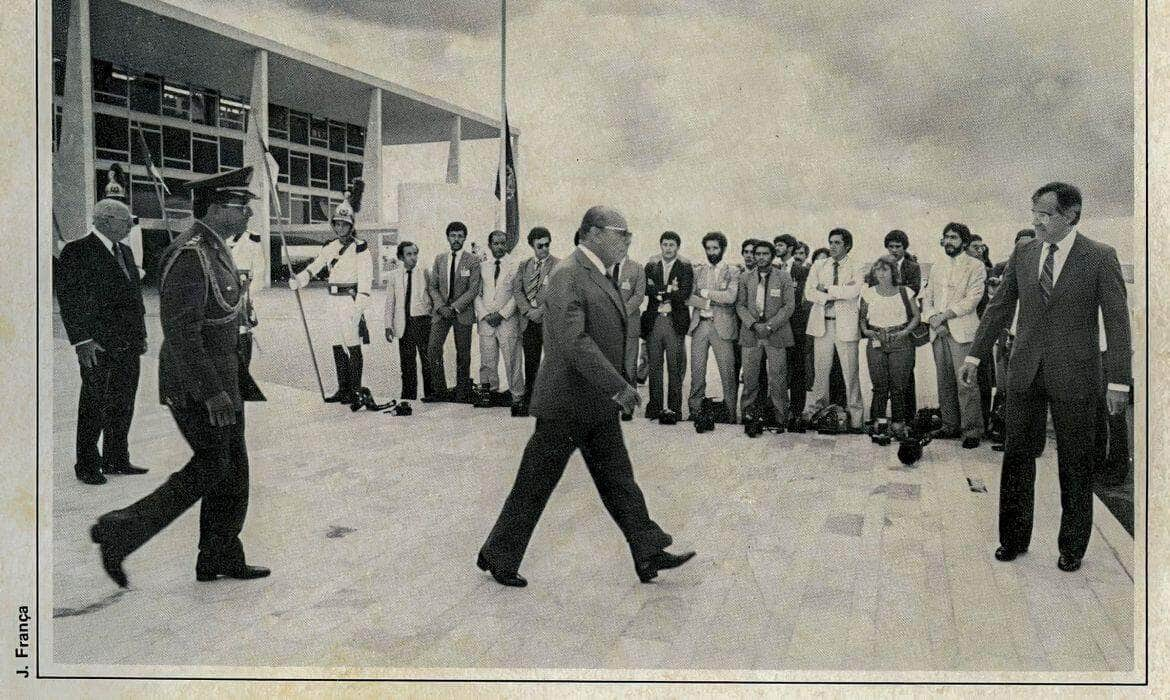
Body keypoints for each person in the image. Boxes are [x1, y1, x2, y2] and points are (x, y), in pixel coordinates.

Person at [478, 205, 695, 587]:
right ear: (593, 233)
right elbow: (574, 341)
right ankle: (499, 555)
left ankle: (647, 550)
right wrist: (619, 387)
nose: (628, 239)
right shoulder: (568, 274)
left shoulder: (600, 273)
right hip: (567, 403)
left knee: (619, 479)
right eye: (621, 232)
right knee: (535, 483)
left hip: (594, 403)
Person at [90, 166, 269, 587]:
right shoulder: (191, 254)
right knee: (212, 465)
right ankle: (121, 529)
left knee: (233, 469)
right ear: (215, 208)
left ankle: (218, 555)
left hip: (225, 378)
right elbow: (182, 332)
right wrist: (212, 393)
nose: (247, 214)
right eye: (240, 206)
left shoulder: (216, 247)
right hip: (197, 385)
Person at [961, 182, 1131, 573]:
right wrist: (974, 355)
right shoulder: (1024, 251)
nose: (1036, 220)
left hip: (1077, 374)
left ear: (1070, 215)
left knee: (1075, 462)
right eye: (1033, 211)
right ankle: (1013, 539)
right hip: (1025, 372)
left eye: (1045, 213)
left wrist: (1118, 382)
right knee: (1017, 457)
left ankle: (1072, 547)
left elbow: (1118, 325)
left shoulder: (1100, 257)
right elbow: (1000, 308)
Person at [57, 195, 149, 485]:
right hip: (97, 345)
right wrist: (82, 340)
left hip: (128, 344)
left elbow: (135, 298)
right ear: (106, 220)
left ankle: (116, 459)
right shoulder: (77, 251)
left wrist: (142, 334)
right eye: (127, 222)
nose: (130, 227)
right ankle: (86, 464)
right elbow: (70, 299)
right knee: (94, 406)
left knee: (123, 403)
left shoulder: (125, 251)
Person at [288, 184, 374, 409]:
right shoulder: (330, 246)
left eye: (344, 224)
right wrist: (299, 280)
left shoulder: (360, 248)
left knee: (352, 343)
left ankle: (356, 390)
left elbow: (366, 282)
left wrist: (360, 308)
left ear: (351, 226)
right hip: (332, 301)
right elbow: (314, 267)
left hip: (350, 300)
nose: (340, 227)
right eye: (337, 223)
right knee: (336, 343)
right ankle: (343, 388)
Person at [920, 222, 986, 448]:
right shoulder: (937, 266)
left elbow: (972, 299)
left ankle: (972, 430)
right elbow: (927, 298)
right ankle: (950, 425)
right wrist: (932, 319)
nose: (948, 241)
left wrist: (944, 316)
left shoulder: (976, 266)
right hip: (938, 332)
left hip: (962, 331)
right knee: (945, 381)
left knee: (965, 382)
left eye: (954, 238)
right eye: (946, 237)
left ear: (964, 242)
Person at [803, 229, 864, 431]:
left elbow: (854, 291)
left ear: (847, 245)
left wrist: (827, 289)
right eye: (831, 242)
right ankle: (816, 413)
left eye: (837, 242)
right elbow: (809, 292)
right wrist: (836, 293)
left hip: (845, 325)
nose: (833, 246)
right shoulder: (820, 265)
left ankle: (856, 418)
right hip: (823, 324)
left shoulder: (856, 265)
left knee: (851, 373)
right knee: (820, 373)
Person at [736, 240, 795, 427]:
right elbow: (740, 305)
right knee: (750, 378)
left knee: (777, 378)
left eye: (765, 254)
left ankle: (780, 418)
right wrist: (753, 324)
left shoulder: (784, 277)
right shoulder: (745, 278)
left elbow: (788, 306)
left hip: (775, 334)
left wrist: (769, 326)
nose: (761, 257)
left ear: (772, 256)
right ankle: (748, 414)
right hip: (751, 334)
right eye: (758, 254)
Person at [859, 255, 920, 430]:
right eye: (877, 269)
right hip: (876, 340)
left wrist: (906, 331)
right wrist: (866, 330)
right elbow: (862, 318)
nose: (880, 273)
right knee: (879, 385)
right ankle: (879, 422)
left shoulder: (905, 292)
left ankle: (898, 422)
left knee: (898, 385)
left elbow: (916, 316)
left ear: (893, 271)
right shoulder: (868, 293)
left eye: (884, 269)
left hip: (900, 339)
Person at [686, 231, 740, 422]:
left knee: (727, 372)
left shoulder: (733, 271)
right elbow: (689, 297)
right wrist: (707, 303)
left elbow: (731, 297)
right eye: (708, 248)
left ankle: (731, 413)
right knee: (697, 371)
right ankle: (695, 410)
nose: (711, 252)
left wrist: (706, 292)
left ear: (723, 249)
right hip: (700, 324)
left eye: (715, 248)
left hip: (723, 327)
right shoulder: (698, 270)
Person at [425, 221, 482, 403]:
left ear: (464, 238)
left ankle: (462, 392)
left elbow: (473, 289)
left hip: (461, 312)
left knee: (463, 353)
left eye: (460, 236)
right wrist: (441, 306)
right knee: (433, 349)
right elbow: (432, 286)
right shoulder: (440, 259)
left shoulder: (472, 261)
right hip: (441, 312)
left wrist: (455, 307)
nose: (456, 239)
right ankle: (439, 390)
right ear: (448, 237)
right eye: (453, 236)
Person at [641, 231, 694, 422]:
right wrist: (668, 293)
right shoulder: (651, 266)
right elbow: (646, 288)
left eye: (672, 245)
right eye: (665, 244)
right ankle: (655, 407)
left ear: (677, 247)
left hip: (674, 321)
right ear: (660, 246)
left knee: (675, 367)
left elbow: (685, 292)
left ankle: (674, 409)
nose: (668, 248)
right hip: (655, 321)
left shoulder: (685, 267)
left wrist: (662, 294)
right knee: (654, 366)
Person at [513, 226, 559, 415]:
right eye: (540, 246)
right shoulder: (524, 265)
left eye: (547, 245)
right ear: (532, 245)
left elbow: (558, 293)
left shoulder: (558, 265)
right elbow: (517, 290)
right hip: (528, 321)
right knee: (531, 362)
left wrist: (540, 311)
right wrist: (527, 311)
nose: (544, 249)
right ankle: (530, 400)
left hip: (548, 322)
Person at [475, 230, 524, 408]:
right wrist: (485, 315)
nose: (500, 246)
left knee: (513, 360)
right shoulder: (483, 266)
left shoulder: (516, 265)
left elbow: (517, 294)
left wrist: (502, 314)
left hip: (507, 321)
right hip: (486, 322)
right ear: (490, 245)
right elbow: (477, 294)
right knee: (487, 361)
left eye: (503, 243)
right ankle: (489, 393)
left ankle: (517, 396)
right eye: (496, 243)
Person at [383, 240, 434, 401]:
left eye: (415, 254)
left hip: (423, 322)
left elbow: (433, 296)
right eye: (409, 254)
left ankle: (431, 395)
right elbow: (390, 302)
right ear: (401, 257)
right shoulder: (394, 276)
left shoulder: (425, 272)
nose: (413, 258)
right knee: (407, 364)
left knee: (427, 361)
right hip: (403, 325)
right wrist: (388, 325)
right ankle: (408, 397)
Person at [775, 233, 809, 424]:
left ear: (789, 248)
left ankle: (796, 411)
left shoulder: (802, 271)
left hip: (796, 328)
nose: (776, 248)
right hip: (776, 328)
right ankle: (779, 409)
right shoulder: (772, 269)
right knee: (778, 369)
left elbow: (803, 302)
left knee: (797, 371)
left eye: (780, 245)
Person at [614, 252, 646, 420]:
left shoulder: (637, 268)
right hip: (607, 324)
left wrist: (621, 312)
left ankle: (627, 406)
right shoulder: (604, 266)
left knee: (629, 366)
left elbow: (639, 295)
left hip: (629, 324)